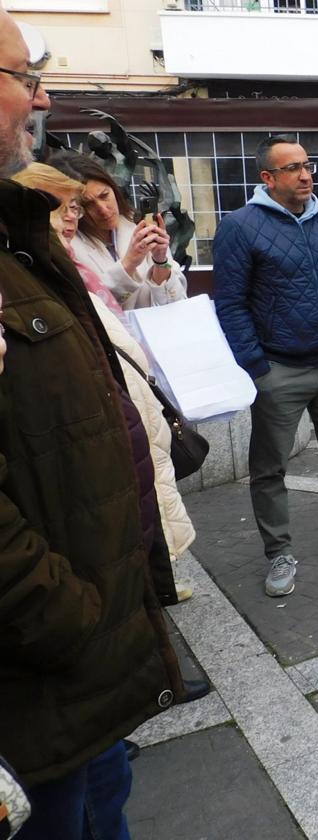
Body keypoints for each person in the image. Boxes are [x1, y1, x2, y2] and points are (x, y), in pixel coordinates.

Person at [0, 11, 184, 837]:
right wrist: (71, 615)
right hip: (47, 655)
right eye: (25, 76)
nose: (39, 97)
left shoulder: (22, 247)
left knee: (106, 803)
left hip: (84, 646)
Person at [13, 163, 197, 602]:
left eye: (99, 197)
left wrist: (156, 260)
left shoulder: (134, 227)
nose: (93, 210)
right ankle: (149, 590)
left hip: (148, 366)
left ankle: (159, 583)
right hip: (110, 394)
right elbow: (101, 305)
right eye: (79, 204)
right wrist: (131, 263)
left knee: (151, 492)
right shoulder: (62, 251)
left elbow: (171, 293)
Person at [214, 135, 318, 598]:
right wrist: (256, 365)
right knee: (270, 469)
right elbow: (230, 304)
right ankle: (279, 552)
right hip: (280, 370)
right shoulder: (240, 227)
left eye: (307, 165)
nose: (306, 174)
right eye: (293, 168)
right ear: (268, 178)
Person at [61, 155, 188, 311]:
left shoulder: (138, 227)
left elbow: (177, 302)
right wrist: (129, 263)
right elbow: (89, 309)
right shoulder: (68, 247)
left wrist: (161, 261)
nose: (102, 209)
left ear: (114, 189)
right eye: (88, 204)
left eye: (104, 195)